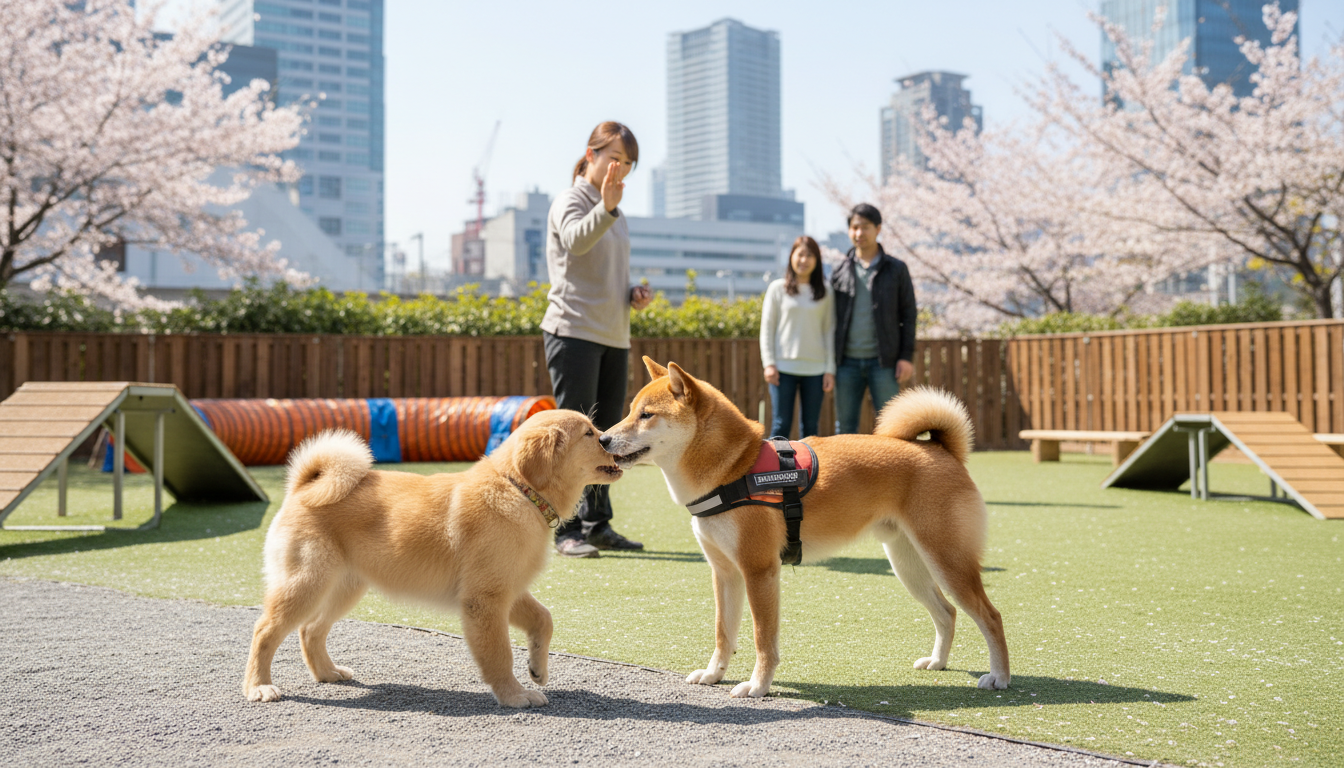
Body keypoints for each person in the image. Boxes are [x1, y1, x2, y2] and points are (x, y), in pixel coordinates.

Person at [542, 121, 653, 558]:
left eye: (628, 163)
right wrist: (605, 207)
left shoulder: (615, 211)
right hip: (573, 331)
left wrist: (632, 294)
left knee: (606, 436)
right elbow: (574, 243)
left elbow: (606, 271)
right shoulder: (573, 200)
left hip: (612, 334)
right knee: (572, 435)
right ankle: (563, 530)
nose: (620, 169)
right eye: (614, 158)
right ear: (591, 155)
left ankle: (597, 523)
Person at [830, 203, 917, 434]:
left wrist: (906, 357)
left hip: (885, 363)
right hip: (846, 363)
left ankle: (893, 471)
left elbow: (909, 315)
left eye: (865, 227)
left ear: (878, 229)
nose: (859, 233)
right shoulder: (839, 270)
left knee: (893, 426)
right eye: (854, 227)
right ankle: (846, 471)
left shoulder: (896, 269)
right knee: (845, 428)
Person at [760, 236, 835, 439]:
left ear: (817, 260)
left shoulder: (826, 292)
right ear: (791, 257)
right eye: (800, 254)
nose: (804, 260)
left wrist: (829, 369)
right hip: (783, 369)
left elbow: (829, 331)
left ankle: (810, 471)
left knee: (811, 427)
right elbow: (767, 328)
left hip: (816, 370)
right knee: (780, 424)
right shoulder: (777, 288)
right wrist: (769, 363)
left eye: (809, 255)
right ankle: (775, 470)